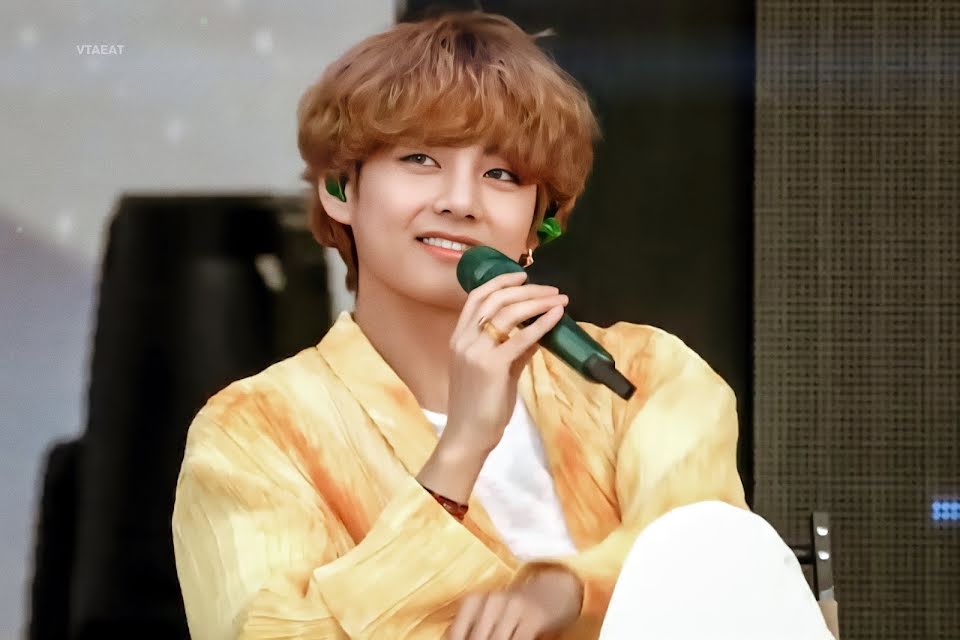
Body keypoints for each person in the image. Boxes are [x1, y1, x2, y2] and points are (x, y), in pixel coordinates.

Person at [172, 11, 834, 640]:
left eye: (501, 174)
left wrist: (565, 590)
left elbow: (708, 562)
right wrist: (460, 449)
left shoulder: (644, 375)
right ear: (341, 190)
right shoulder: (253, 432)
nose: (460, 201)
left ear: (536, 226)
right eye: (420, 160)